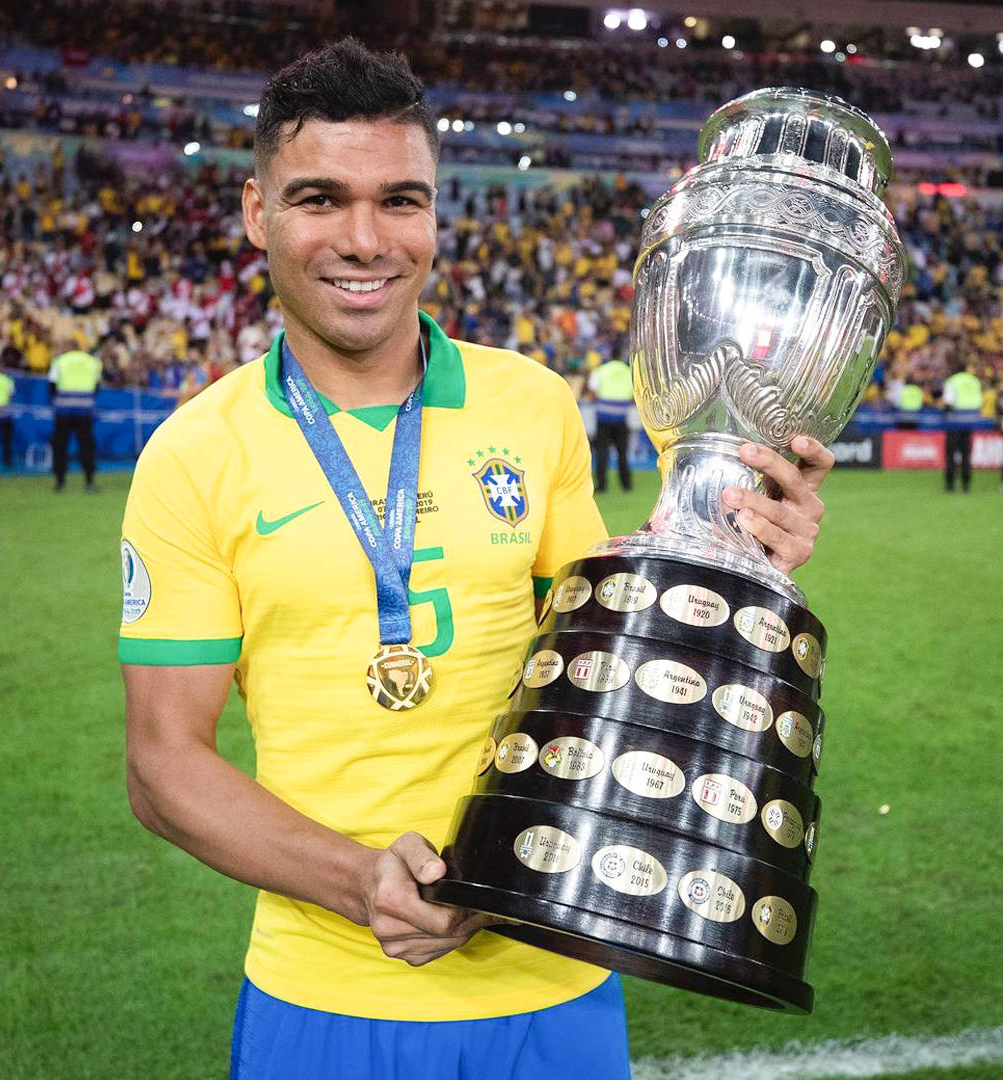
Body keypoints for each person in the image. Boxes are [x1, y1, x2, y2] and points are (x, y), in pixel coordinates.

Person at [116, 40, 837, 1080]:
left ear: (434, 215)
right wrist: (357, 879)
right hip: (326, 999)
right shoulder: (193, 454)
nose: (365, 239)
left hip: (556, 980)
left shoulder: (531, 404)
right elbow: (162, 766)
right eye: (320, 198)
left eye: (400, 200)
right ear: (256, 213)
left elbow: (592, 661)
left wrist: (727, 548)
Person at [47, 335, 101, 492]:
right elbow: (97, 387)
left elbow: (52, 387)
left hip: (63, 410)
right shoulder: (93, 362)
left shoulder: (59, 361)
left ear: (68, 348)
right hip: (85, 410)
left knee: (60, 445)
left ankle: (60, 482)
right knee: (86, 445)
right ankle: (89, 482)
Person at [585, 353, 634, 493]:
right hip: (621, 417)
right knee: (622, 453)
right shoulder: (628, 371)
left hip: (603, 417)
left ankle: (601, 485)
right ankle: (626, 484)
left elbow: (592, 392)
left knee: (601, 453)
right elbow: (634, 393)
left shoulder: (601, 370)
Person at [941, 362, 981, 493]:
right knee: (965, 455)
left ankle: (950, 485)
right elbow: (979, 401)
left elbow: (948, 402)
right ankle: (966, 484)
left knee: (951, 454)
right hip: (969, 421)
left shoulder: (952, 381)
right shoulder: (975, 381)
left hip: (954, 420)